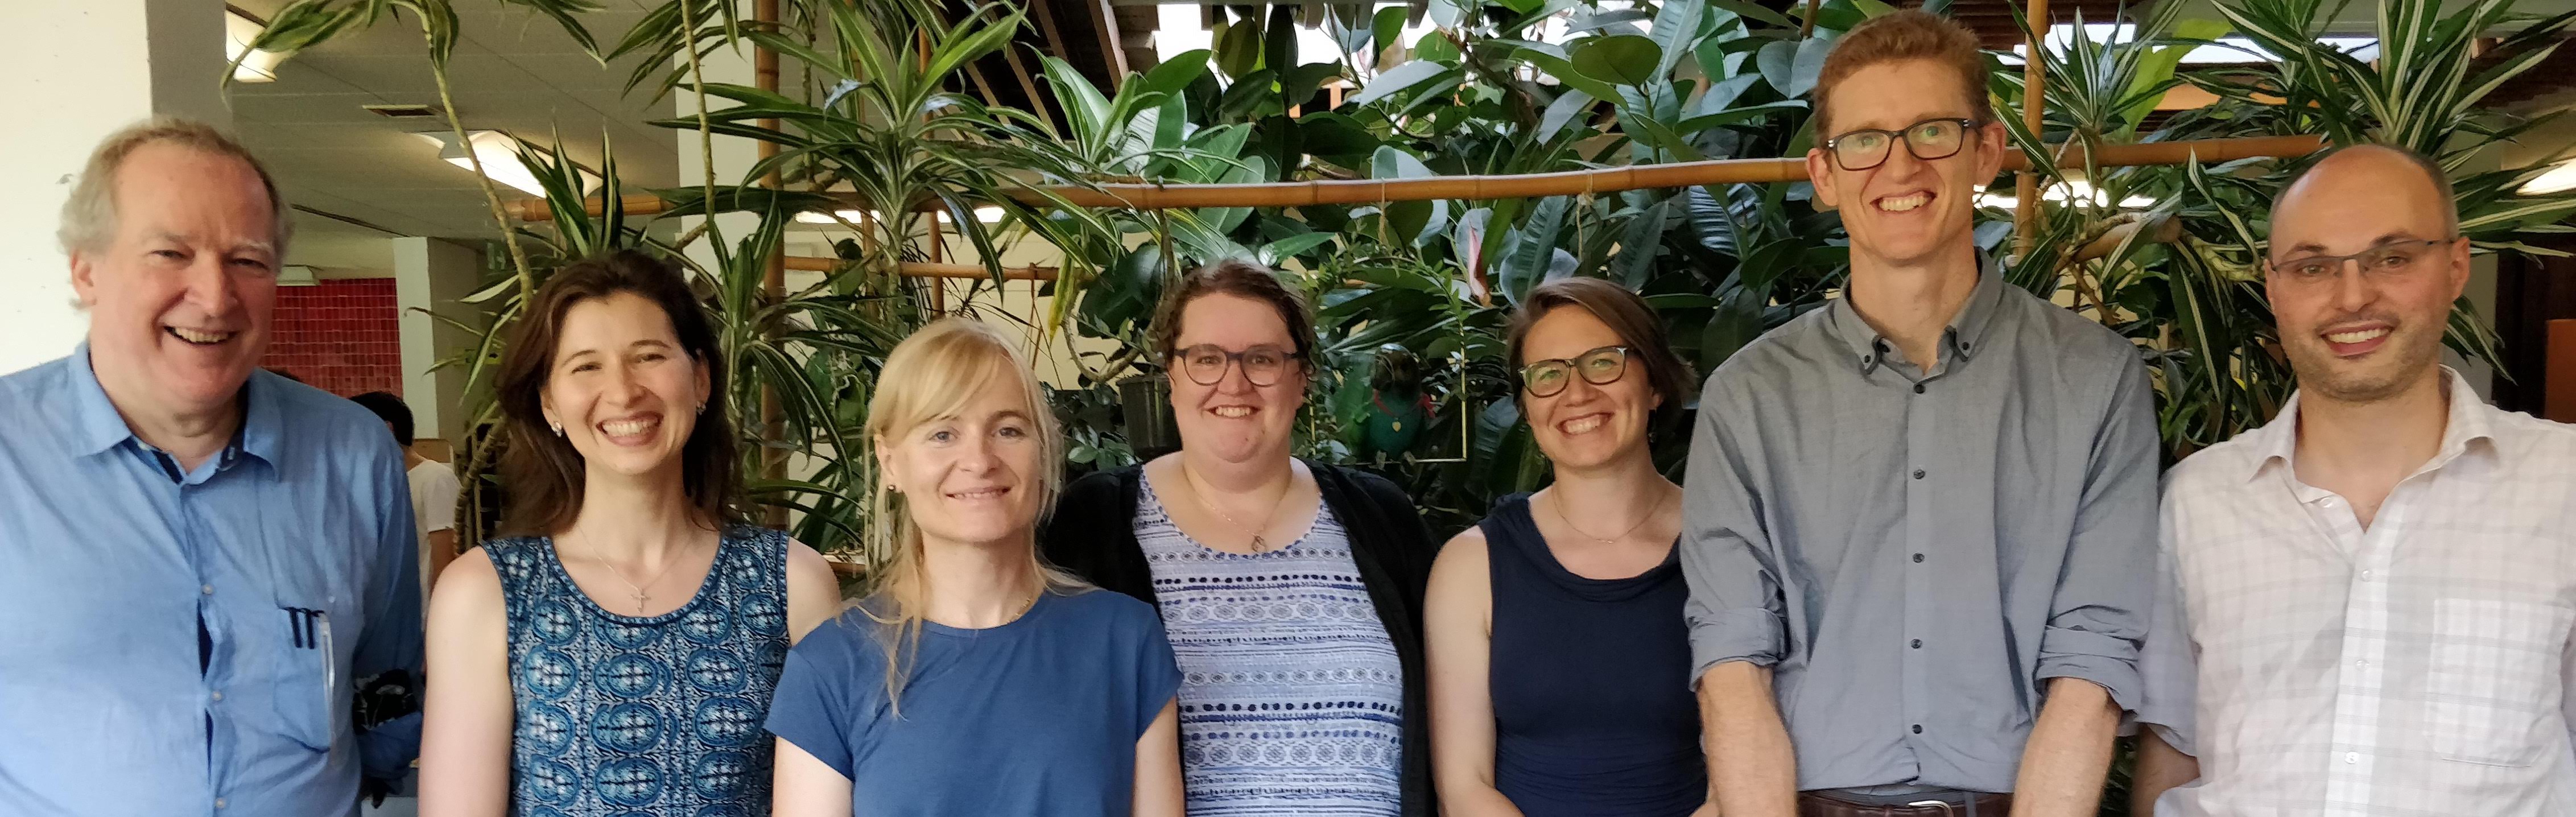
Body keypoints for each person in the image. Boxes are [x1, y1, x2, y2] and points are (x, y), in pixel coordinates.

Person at [1679, 11, 2162, 817]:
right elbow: (1733, 661)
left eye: (1932, 131)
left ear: (1985, 151)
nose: (1898, 165)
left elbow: (2092, 660)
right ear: (1826, 175)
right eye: (1865, 140)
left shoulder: (2095, 380)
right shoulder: (1751, 397)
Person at [2129, 145, 2576, 815]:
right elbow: (2174, 751)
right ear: (2274, 287)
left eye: (2391, 258)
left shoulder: (2561, 487)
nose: (2352, 295)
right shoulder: (2197, 502)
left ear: (2455, 266)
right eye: (2313, 266)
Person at [0, 116, 422, 814]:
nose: (216, 295)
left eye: (248, 260)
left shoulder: (353, 453)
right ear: (87, 268)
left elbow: (386, 682)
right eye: (171, 252)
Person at [416, 250, 840, 816]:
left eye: (648, 356)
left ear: (700, 379)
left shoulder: (792, 581)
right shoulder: (486, 590)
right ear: (550, 402)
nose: (622, 391)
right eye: (586, 366)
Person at [1045, 259, 1442, 816]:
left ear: (1301, 378)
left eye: (1261, 359)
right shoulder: (1091, 524)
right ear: (1171, 375)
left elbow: (1453, 714)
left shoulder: (1380, 516)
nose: (1234, 382)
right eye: (1206, 358)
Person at [768, 317, 1185, 817]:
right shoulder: (832, 666)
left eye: (1008, 430)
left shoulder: (1126, 639)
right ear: (890, 459)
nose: (980, 459)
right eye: (943, 433)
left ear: (1044, 448)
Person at [1425, 278, 1711, 816]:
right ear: (1528, 411)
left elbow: (1745, 768)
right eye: (1548, 375)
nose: (1576, 394)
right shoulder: (1472, 565)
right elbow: (1465, 786)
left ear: (1655, 384)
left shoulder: (1724, 541)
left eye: (1604, 362)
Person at [353, 390, 464, 601]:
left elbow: (445, 560)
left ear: (386, 429)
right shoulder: (375, 483)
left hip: (425, 614)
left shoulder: (435, 478)